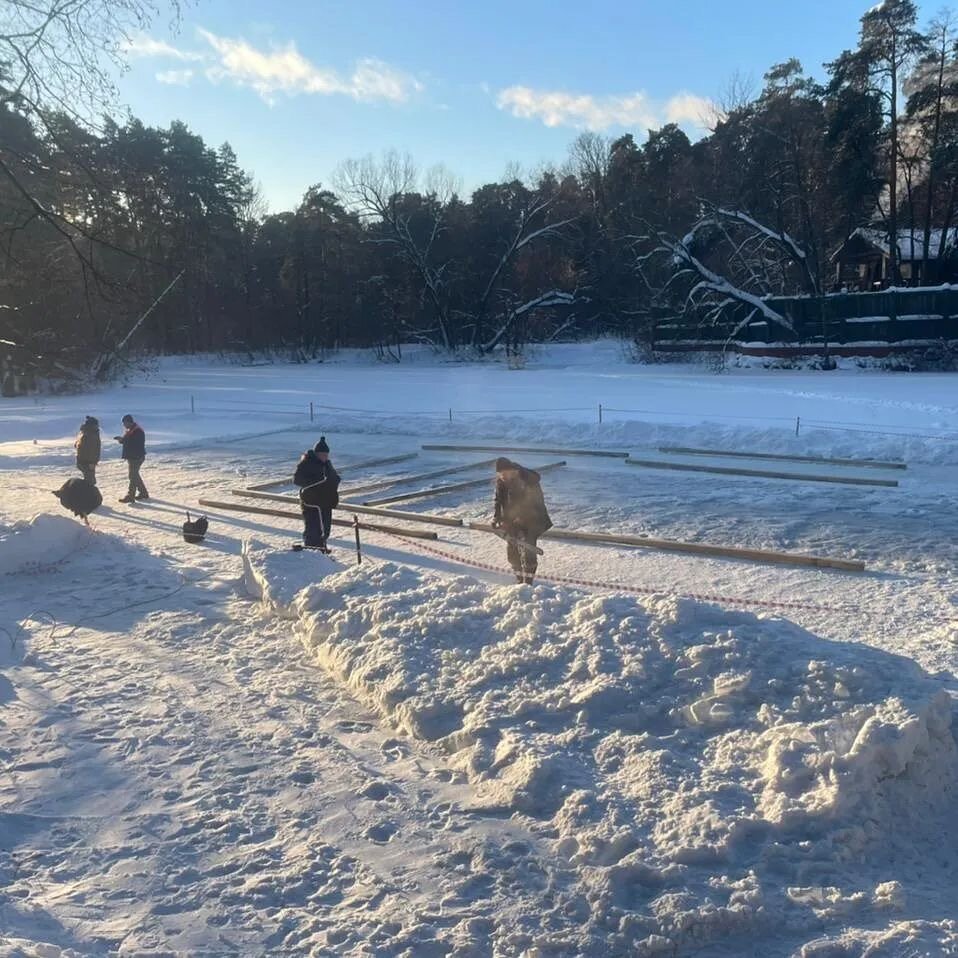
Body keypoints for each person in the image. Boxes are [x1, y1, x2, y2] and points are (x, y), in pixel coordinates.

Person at [492, 457, 552, 584]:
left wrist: (522, 518)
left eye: (504, 473)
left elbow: (534, 502)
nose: (502, 476)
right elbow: (498, 501)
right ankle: (519, 578)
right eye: (500, 474)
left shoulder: (527, 481)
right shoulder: (501, 482)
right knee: (512, 549)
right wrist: (497, 517)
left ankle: (528, 581)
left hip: (533, 519)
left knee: (528, 549)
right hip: (512, 520)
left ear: (512, 470)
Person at [293, 435, 340, 551]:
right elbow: (297, 479)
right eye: (322, 455)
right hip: (311, 502)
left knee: (325, 529)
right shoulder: (307, 463)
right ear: (316, 454)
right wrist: (316, 481)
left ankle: (322, 548)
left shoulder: (327, 464)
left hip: (325, 502)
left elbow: (334, 477)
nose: (325, 457)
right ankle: (312, 551)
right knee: (313, 529)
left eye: (326, 455)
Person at [115, 414, 149, 503]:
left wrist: (124, 440)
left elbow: (135, 443)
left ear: (129, 422)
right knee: (134, 475)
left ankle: (131, 496)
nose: (123, 425)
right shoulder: (131, 430)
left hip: (137, 457)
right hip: (133, 457)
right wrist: (122, 440)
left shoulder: (137, 431)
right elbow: (129, 441)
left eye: (124, 423)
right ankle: (143, 493)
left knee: (132, 476)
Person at [74, 416, 101, 485]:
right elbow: (89, 450)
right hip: (87, 462)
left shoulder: (87, 432)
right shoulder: (89, 434)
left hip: (86, 462)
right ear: (92, 425)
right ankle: (85, 494)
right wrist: (91, 462)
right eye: (96, 425)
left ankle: (86, 493)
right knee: (90, 482)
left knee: (90, 481)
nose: (98, 426)